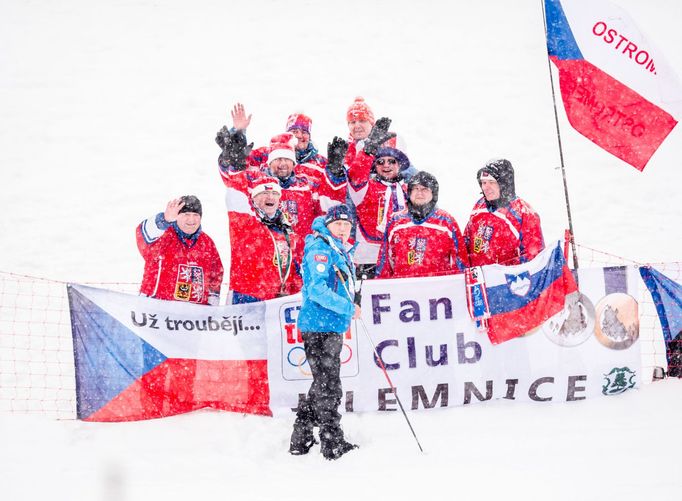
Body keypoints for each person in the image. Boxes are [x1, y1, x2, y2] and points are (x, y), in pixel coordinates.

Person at [289, 204, 360, 460]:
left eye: (346, 225)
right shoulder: (321, 248)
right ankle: (331, 440)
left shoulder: (337, 248)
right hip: (319, 326)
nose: (342, 229)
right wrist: (348, 307)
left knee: (323, 383)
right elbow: (317, 290)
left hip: (330, 325)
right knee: (330, 386)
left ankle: (302, 435)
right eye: (337, 224)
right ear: (328, 225)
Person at [217, 113, 324, 238]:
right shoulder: (263, 159)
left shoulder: (317, 170)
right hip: (267, 245)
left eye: (304, 131)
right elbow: (234, 175)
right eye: (295, 131)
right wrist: (232, 149)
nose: (299, 135)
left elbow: (325, 206)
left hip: (301, 248)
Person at [224, 174, 303, 304]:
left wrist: (296, 294)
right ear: (254, 198)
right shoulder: (246, 221)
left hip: (278, 302)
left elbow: (293, 268)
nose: (270, 197)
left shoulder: (287, 229)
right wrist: (235, 169)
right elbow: (235, 196)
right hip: (246, 298)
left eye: (274, 193)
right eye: (264, 192)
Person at [376, 171, 468, 278]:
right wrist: (381, 285)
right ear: (409, 192)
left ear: (433, 194)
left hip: (438, 289)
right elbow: (385, 261)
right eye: (416, 189)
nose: (420, 193)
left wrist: (458, 286)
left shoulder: (446, 221)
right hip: (402, 288)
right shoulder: (396, 221)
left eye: (425, 189)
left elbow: (460, 261)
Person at [136, 196, 223, 305]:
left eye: (195, 215)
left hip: (193, 317)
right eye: (186, 214)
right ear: (177, 216)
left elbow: (216, 274)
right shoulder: (163, 235)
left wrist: (212, 305)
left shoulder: (207, 243)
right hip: (156, 310)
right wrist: (164, 219)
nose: (191, 219)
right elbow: (143, 235)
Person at [345, 142, 412, 279]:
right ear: (375, 166)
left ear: (399, 165)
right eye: (381, 162)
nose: (386, 165)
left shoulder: (409, 190)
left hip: (401, 255)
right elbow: (356, 175)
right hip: (369, 256)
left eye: (391, 161)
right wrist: (366, 153)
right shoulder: (365, 188)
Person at [464, 159, 545, 267]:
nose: (486, 187)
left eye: (491, 182)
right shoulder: (479, 206)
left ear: (504, 184)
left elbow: (534, 259)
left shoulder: (524, 213)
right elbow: (466, 243)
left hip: (509, 281)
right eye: (483, 183)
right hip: (479, 280)